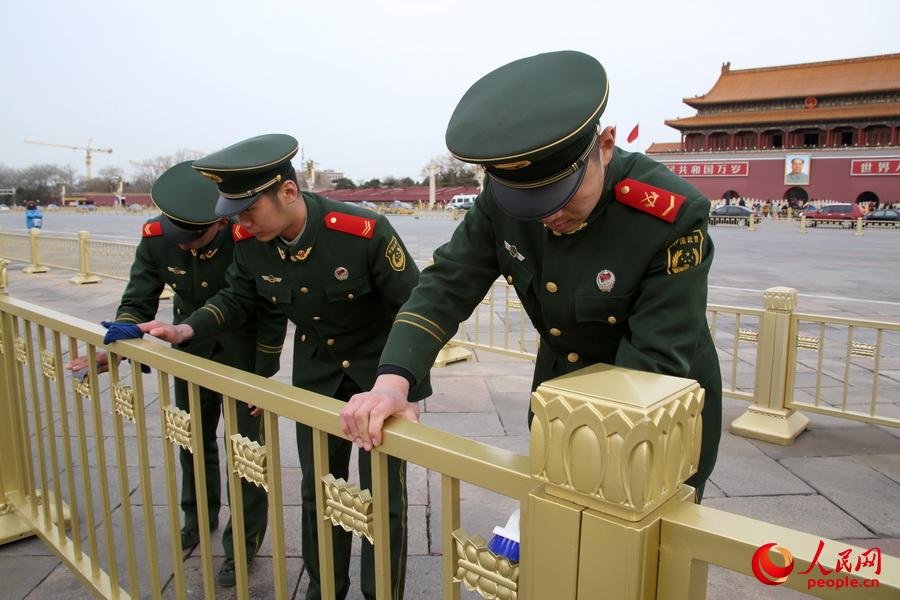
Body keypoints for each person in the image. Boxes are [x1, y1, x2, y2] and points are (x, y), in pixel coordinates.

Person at [341, 50, 723, 501]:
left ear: (604, 145)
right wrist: (391, 383)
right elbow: (446, 284)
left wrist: (590, 460)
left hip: (660, 407)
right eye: (530, 203)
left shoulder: (669, 214)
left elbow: (657, 358)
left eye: (563, 195)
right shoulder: (502, 201)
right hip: (559, 398)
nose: (549, 216)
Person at [138, 134, 429, 600]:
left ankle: (382, 593)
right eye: (235, 214)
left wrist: (409, 387)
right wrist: (185, 330)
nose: (241, 223)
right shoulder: (251, 243)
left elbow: (416, 309)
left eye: (248, 211)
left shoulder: (362, 231)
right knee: (319, 494)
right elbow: (237, 297)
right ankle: (324, 588)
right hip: (317, 376)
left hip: (380, 377)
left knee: (382, 501)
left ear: (288, 194)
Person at [66, 161, 285, 587]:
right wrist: (121, 343)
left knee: (245, 455)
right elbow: (138, 295)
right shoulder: (157, 238)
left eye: (195, 239)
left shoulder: (246, 237)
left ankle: (243, 542)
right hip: (191, 352)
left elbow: (272, 309)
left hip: (243, 356)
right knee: (191, 441)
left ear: (219, 222)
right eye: (177, 239)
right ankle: (196, 518)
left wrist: (264, 375)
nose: (184, 248)